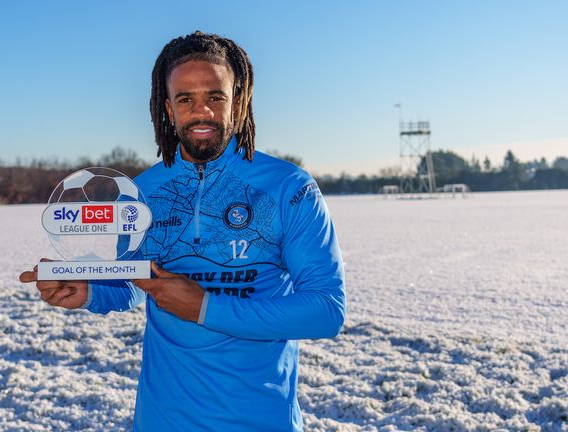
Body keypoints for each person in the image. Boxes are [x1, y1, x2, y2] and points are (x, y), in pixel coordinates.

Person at [20, 31, 345, 432]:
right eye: (185, 98)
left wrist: (205, 307)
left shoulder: (288, 187)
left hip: (260, 420)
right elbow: (137, 283)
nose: (201, 111)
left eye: (215, 96)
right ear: (168, 110)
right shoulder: (141, 194)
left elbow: (326, 311)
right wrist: (90, 292)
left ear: (239, 103)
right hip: (162, 419)